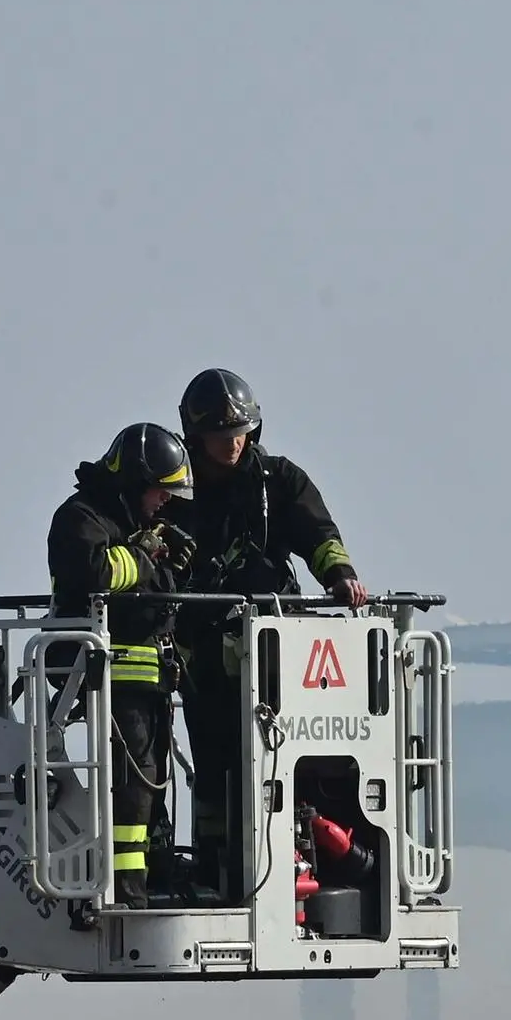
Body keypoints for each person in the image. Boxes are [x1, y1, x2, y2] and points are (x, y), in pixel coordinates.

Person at [169, 367, 366, 899]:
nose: (229, 445)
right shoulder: (174, 492)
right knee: (213, 763)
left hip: (278, 650)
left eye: (237, 434)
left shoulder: (279, 481)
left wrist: (340, 574)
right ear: (195, 436)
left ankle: (301, 851)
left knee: (289, 756)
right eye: (216, 436)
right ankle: (215, 867)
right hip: (205, 654)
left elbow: (320, 535)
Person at [47, 422, 194, 905]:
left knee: (153, 781)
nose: (165, 501)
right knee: (134, 783)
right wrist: (145, 556)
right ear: (134, 481)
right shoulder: (80, 518)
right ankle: (129, 888)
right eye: (160, 490)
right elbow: (96, 574)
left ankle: (157, 872)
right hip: (103, 675)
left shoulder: (136, 524)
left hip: (145, 676)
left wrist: (172, 561)